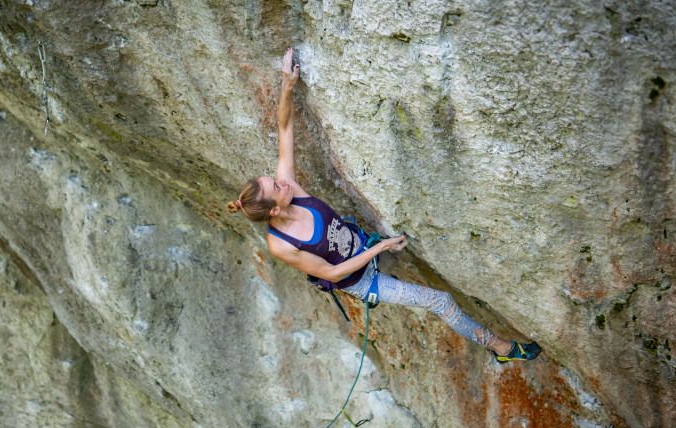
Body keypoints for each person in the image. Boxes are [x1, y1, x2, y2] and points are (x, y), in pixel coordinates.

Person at [227, 48, 540, 363]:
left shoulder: (289, 189)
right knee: (440, 301)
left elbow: (284, 130)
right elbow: (333, 273)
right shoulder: (282, 245)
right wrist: (382, 248)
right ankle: (503, 349)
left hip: (360, 240)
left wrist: (287, 86)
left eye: (274, 178)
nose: (281, 181)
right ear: (274, 211)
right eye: (276, 186)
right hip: (363, 280)